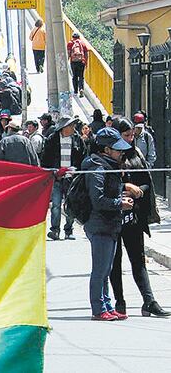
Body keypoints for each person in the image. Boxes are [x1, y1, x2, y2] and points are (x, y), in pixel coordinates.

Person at [109, 117, 169, 318]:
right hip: (111, 218)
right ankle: (119, 302)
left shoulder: (136, 155)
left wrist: (138, 191)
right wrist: (123, 187)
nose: (129, 139)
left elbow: (146, 182)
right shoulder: (106, 157)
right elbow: (101, 184)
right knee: (114, 262)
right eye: (125, 135)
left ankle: (149, 301)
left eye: (131, 135)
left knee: (138, 260)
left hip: (133, 218)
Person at [82, 127, 135, 321]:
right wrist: (119, 203)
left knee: (106, 269)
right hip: (99, 224)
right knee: (100, 270)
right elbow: (98, 200)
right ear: (106, 150)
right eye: (117, 149)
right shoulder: (97, 168)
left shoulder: (109, 167)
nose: (121, 153)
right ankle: (98, 309)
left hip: (110, 224)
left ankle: (107, 306)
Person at [40, 116, 86, 241]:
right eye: (71, 126)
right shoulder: (51, 140)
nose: (73, 128)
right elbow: (45, 159)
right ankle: (55, 230)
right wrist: (54, 172)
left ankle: (68, 230)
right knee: (55, 205)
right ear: (64, 127)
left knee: (71, 204)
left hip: (72, 179)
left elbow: (83, 156)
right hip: (56, 178)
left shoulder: (77, 139)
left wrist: (77, 170)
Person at [67, 31, 89, 97]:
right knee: (81, 76)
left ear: (72, 37)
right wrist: (86, 62)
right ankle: (81, 89)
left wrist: (67, 60)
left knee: (75, 76)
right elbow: (86, 53)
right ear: (79, 37)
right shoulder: (82, 43)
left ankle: (75, 91)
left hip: (73, 62)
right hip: (81, 61)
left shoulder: (70, 43)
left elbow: (68, 53)